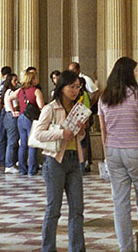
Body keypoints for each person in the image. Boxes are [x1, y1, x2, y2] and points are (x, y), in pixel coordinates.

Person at [98, 56, 138, 252]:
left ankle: (126, 248)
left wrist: (107, 154)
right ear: (128, 73)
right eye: (134, 71)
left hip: (113, 152)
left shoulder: (104, 97)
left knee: (120, 203)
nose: (136, 74)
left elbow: (103, 130)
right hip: (136, 149)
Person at [32, 70, 87, 252]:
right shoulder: (50, 108)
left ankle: (77, 248)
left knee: (77, 208)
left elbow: (79, 136)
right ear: (62, 87)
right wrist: (61, 133)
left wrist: (80, 131)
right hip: (55, 161)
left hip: (74, 160)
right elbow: (38, 134)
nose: (75, 91)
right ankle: (48, 248)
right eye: (72, 87)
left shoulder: (76, 109)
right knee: (53, 209)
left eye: (78, 87)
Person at [13, 66, 46, 176]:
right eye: (35, 78)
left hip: (21, 117)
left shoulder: (20, 91)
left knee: (23, 144)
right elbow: (41, 106)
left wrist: (13, 110)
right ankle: (32, 169)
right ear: (32, 80)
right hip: (31, 119)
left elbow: (8, 98)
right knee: (32, 144)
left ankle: (22, 169)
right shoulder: (36, 91)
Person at [3, 72, 22, 173]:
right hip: (11, 116)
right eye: (14, 80)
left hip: (9, 116)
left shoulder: (8, 91)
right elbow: (14, 105)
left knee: (13, 140)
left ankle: (12, 162)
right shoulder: (10, 92)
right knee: (12, 141)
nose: (16, 82)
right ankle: (9, 164)